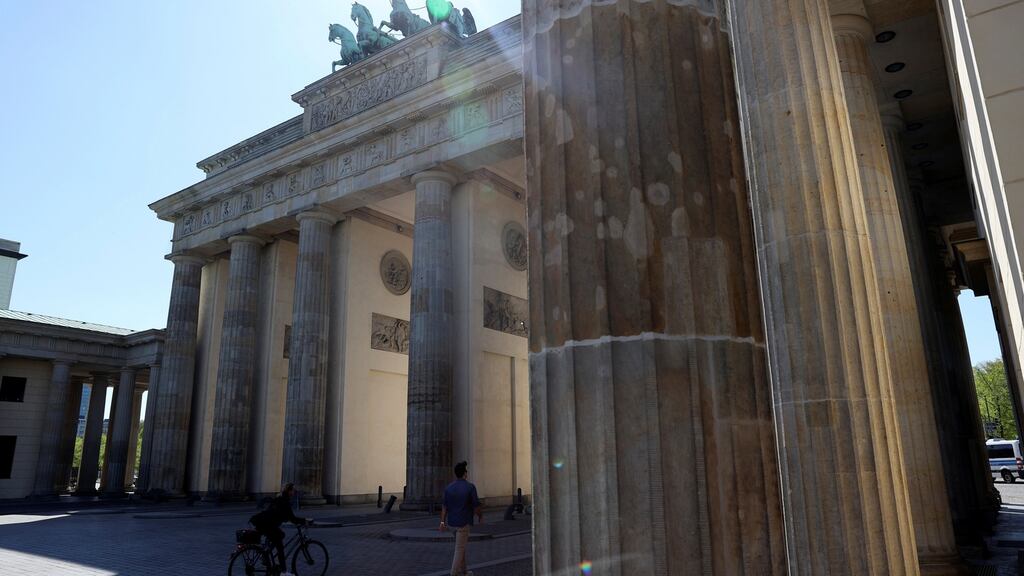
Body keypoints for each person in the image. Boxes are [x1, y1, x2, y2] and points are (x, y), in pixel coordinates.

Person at [250, 483, 311, 576]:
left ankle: (266, 554)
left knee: (281, 535)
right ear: (289, 491)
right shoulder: (285, 502)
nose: (294, 492)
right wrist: (304, 521)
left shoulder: (279, 498)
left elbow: (275, 512)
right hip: (268, 525)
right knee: (280, 548)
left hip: (263, 522)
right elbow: (293, 519)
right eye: (293, 490)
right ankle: (283, 572)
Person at [440, 461, 483, 576]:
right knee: (459, 549)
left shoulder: (448, 488)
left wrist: (442, 522)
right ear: (465, 473)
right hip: (463, 523)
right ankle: (453, 573)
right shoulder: (470, 487)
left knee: (461, 546)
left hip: (452, 523)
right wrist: (480, 516)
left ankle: (464, 571)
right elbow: (476, 506)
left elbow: (444, 507)